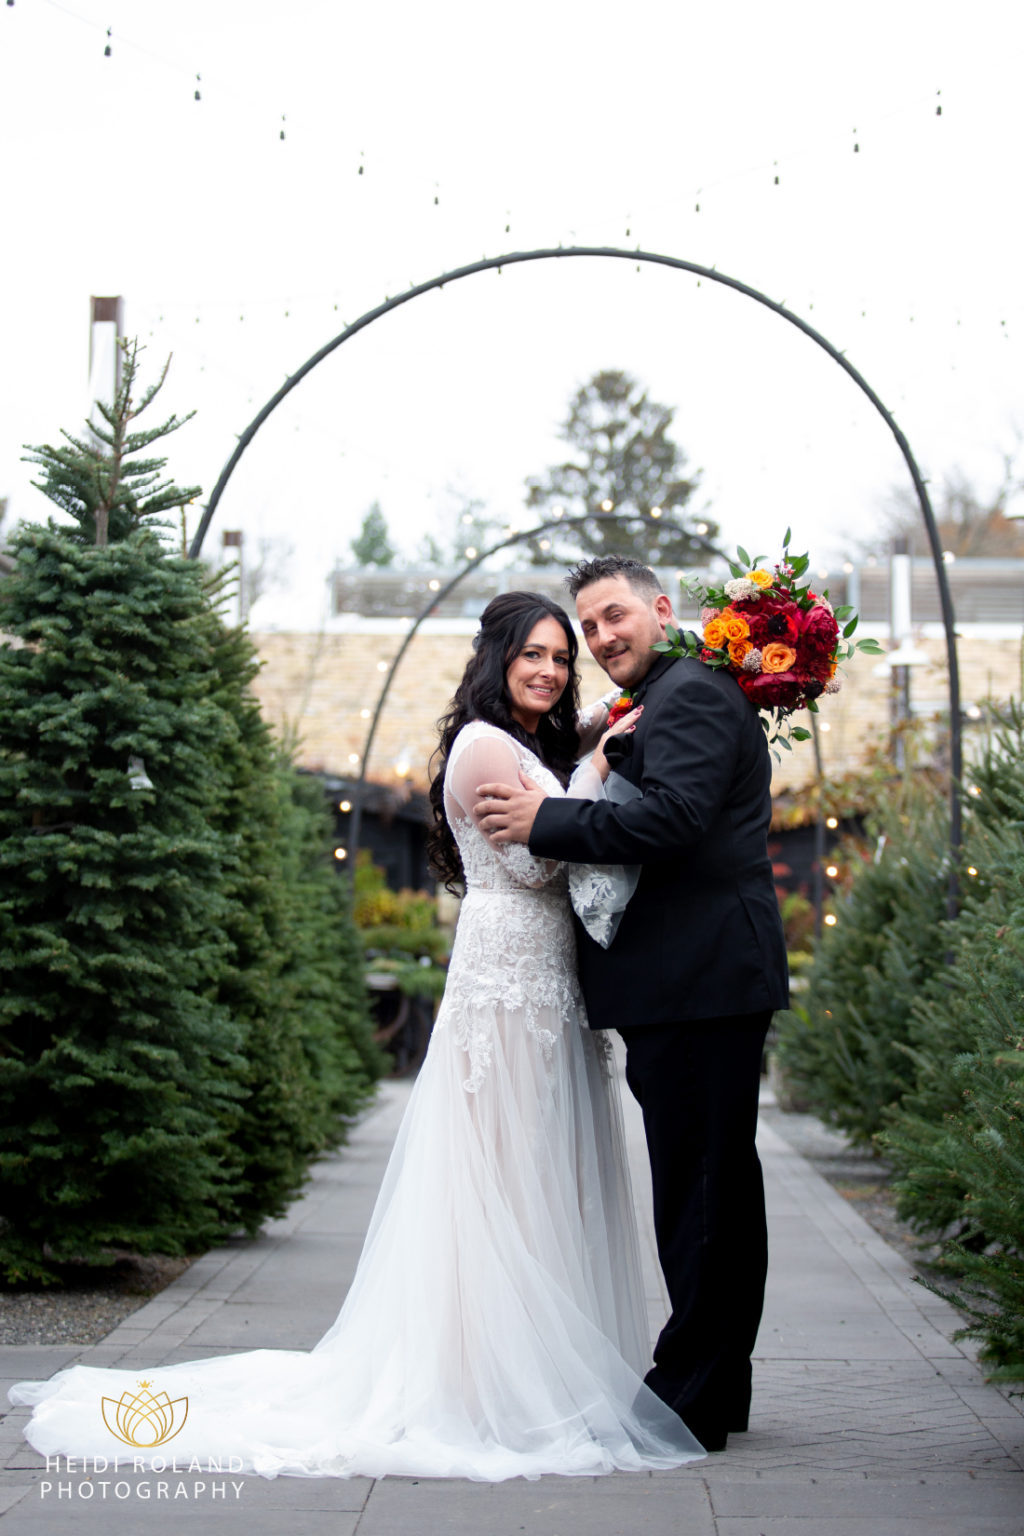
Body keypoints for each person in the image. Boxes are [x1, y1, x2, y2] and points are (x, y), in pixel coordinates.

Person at [9, 590, 704, 1481]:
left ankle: (529, 1369)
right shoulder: (487, 745)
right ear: (496, 660)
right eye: (534, 653)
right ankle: (484, 1382)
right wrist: (603, 770)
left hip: (549, 981)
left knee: (540, 1173)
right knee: (499, 1178)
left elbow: (566, 779)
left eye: (562, 658)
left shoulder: (533, 744)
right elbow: (537, 857)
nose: (551, 670)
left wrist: (620, 714)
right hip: (505, 983)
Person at [473, 557, 790, 1453]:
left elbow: (674, 818)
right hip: (697, 981)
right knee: (715, 1187)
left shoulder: (686, 694)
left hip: (699, 979)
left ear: (661, 609)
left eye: (615, 617)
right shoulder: (664, 696)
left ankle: (687, 1390)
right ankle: (715, 1383)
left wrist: (546, 820)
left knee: (698, 1190)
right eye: (591, 629)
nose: (603, 638)